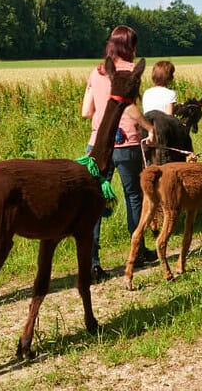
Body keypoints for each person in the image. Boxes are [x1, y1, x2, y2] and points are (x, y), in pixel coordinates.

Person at [81, 26, 157, 282]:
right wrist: (149, 127)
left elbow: (86, 111)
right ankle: (139, 250)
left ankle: (92, 262)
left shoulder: (97, 71)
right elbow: (131, 108)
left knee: (95, 202)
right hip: (126, 143)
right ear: (129, 46)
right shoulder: (130, 71)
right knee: (134, 196)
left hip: (97, 145)